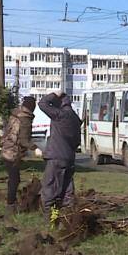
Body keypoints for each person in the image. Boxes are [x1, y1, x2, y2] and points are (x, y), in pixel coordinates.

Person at [38, 91, 81, 220]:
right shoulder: (75, 118)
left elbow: (42, 104)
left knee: (49, 188)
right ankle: (68, 218)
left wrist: (54, 94)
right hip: (69, 158)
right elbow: (77, 141)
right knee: (67, 191)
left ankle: (49, 220)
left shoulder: (60, 115)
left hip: (56, 157)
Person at [1, 96, 38, 215]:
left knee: (13, 178)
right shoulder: (25, 119)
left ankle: (11, 202)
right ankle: (11, 205)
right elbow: (24, 140)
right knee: (14, 180)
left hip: (6, 149)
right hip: (13, 153)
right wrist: (35, 148)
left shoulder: (15, 114)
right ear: (32, 107)